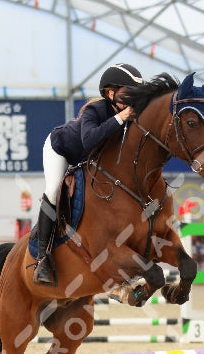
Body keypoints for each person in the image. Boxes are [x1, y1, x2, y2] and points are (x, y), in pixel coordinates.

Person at [33, 63, 144, 286]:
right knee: (54, 190)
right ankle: (42, 259)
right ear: (110, 93)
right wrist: (121, 118)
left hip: (88, 161)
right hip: (61, 150)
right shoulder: (97, 111)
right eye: (126, 94)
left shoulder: (129, 116)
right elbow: (89, 140)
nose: (131, 101)